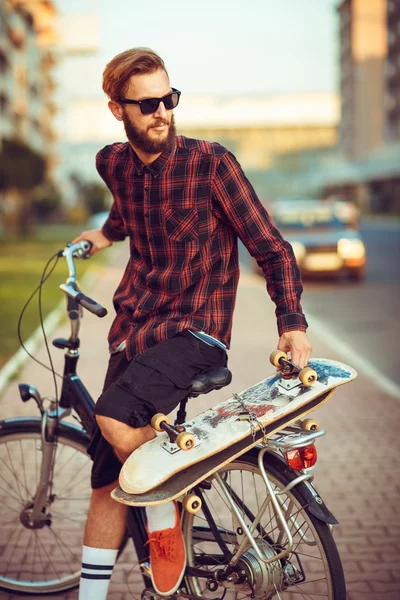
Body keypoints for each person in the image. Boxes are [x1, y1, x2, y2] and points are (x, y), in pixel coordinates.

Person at [73, 47, 312, 599]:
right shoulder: (112, 162)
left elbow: (272, 249)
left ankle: (169, 504)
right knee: (108, 484)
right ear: (117, 109)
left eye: (169, 98)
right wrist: (101, 237)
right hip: (133, 330)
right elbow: (125, 210)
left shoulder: (211, 164)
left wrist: (291, 322)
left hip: (195, 334)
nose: (162, 111)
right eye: (147, 103)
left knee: (112, 418)